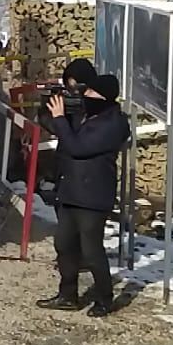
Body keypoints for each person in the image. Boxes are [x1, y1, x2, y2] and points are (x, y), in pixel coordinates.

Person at [37, 73, 130, 318]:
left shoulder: (113, 124)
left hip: (93, 196)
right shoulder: (85, 114)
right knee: (64, 245)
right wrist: (50, 106)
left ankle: (105, 298)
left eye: (91, 93)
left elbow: (78, 148)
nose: (86, 96)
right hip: (70, 191)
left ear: (105, 98)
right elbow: (54, 126)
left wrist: (60, 119)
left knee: (91, 251)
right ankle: (68, 295)